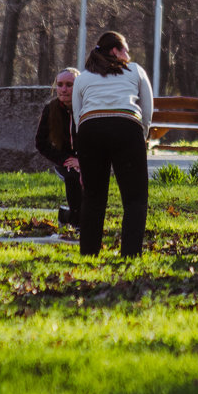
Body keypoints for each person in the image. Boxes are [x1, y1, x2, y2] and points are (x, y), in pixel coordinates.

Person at [71, 31, 153, 258]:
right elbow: (147, 109)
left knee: (93, 196)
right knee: (135, 198)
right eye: (125, 49)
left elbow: (78, 116)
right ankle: (130, 253)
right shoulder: (135, 70)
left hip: (90, 130)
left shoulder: (83, 77)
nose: (128, 54)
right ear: (115, 51)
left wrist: (83, 148)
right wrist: (142, 135)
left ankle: (89, 252)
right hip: (126, 127)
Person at [35, 67, 81, 231]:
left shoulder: (87, 107)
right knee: (73, 176)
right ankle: (76, 223)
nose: (64, 89)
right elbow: (41, 143)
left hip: (88, 158)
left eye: (69, 84)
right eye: (60, 84)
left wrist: (82, 160)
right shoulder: (51, 108)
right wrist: (65, 159)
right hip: (65, 159)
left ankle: (69, 216)